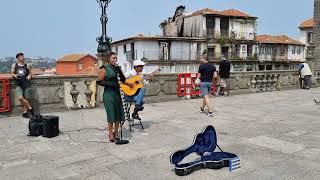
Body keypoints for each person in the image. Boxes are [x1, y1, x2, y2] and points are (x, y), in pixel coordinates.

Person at [97, 52, 132, 142]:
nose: (115, 60)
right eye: (113, 58)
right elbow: (99, 81)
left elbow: (123, 79)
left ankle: (116, 132)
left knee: (118, 114)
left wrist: (120, 71)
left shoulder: (117, 68)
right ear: (109, 59)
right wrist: (110, 84)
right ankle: (110, 133)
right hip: (108, 94)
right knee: (111, 114)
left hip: (117, 94)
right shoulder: (104, 68)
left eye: (116, 58)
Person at [11, 53, 34, 118]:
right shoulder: (14, 65)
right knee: (20, 97)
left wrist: (30, 75)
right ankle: (30, 108)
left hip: (27, 84)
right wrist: (14, 75)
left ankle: (25, 112)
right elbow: (12, 73)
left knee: (27, 98)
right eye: (21, 57)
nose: (23, 58)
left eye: (23, 57)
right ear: (18, 58)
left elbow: (31, 73)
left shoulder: (27, 65)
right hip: (18, 84)